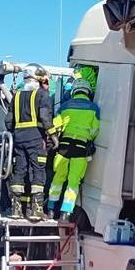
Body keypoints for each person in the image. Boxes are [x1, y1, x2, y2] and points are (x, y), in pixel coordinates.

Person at [5, 63, 58, 221]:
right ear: (39, 78)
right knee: (38, 170)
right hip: (36, 137)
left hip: (19, 137)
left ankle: (16, 209)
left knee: (20, 169)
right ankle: (36, 210)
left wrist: (14, 135)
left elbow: (8, 121)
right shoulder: (42, 95)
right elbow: (45, 117)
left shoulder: (16, 96)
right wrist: (53, 136)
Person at [47, 79, 101, 223]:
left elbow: (55, 125)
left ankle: (51, 209)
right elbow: (95, 130)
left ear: (74, 91)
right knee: (73, 181)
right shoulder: (94, 108)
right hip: (81, 148)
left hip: (64, 146)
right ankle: (66, 213)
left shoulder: (65, 106)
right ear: (88, 91)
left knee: (58, 178)